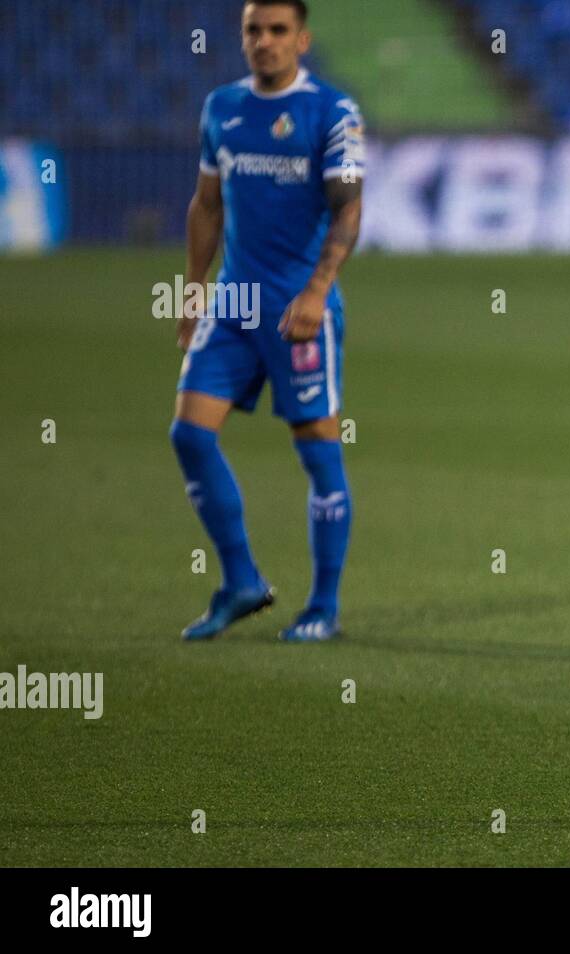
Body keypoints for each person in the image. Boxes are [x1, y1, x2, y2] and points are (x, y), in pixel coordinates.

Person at [170, 0, 363, 642]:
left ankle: (324, 607)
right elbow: (205, 204)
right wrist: (193, 291)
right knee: (190, 436)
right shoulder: (221, 107)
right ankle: (241, 581)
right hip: (233, 304)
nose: (265, 41)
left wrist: (316, 292)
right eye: (254, 30)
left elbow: (347, 212)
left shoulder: (331, 112)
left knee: (318, 452)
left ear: (302, 39)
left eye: (278, 31)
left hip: (298, 310)